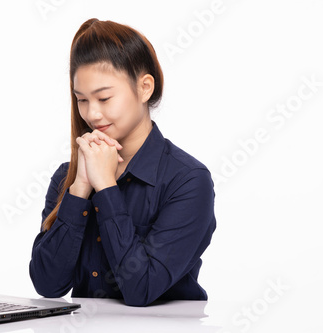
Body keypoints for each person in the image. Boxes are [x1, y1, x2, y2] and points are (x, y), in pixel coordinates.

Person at [29, 18, 216, 307]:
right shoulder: (68, 175)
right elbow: (48, 285)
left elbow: (142, 288)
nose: (92, 114)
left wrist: (105, 187)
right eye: (81, 100)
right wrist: (80, 187)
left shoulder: (188, 181)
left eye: (104, 98)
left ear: (144, 88)